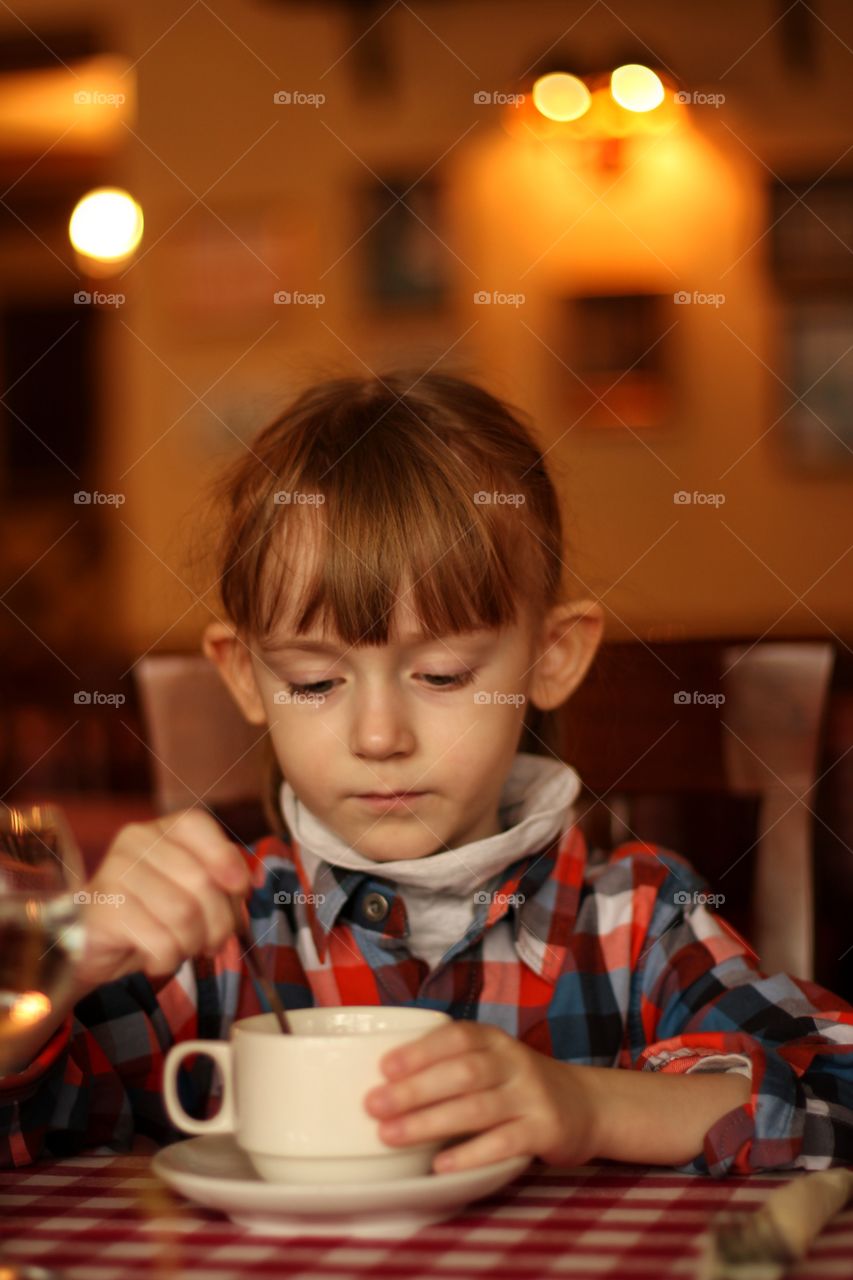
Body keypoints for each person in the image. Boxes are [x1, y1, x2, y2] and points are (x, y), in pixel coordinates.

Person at [3, 370, 852, 1176]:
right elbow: (27, 1119)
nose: (378, 737)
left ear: (551, 658)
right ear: (244, 676)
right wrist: (54, 970)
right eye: (313, 682)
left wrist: (589, 1106)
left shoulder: (638, 920)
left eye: (442, 675)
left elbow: (832, 1088)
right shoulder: (215, 940)